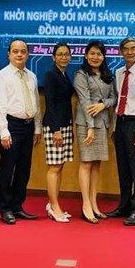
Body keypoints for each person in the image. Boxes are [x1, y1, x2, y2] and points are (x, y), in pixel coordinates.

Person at [0, 39, 42, 225]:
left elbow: (36, 103)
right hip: (11, 126)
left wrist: (37, 127)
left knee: (24, 169)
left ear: (28, 54)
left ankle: (17, 206)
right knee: (7, 169)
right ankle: (5, 208)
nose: (19, 54)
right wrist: (3, 131)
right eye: (15, 51)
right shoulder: (2, 76)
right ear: (9, 54)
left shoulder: (32, 76)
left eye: (23, 51)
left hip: (28, 127)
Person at [107, 37, 135, 226]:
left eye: (134, 48)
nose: (130, 52)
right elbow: (118, 101)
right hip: (121, 123)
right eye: (126, 49)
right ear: (121, 52)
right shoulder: (118, 72)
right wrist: (115, 127)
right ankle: (124, 205)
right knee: (123, 168)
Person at [74, 40, 117, 224]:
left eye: (99, 54)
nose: (95, 57)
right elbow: (84, 102)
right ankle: (85, 204)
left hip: (103, 123)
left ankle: (94, 203)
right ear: (85, 55)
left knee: (96, 163)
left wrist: (102, 104)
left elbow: (114, 98)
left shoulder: (107, 74)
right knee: (86, 163)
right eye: (92, 53)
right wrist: (90, 127)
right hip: (86, 124)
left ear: (103, 56)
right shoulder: (81, 74)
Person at [42, 42, 74, 223]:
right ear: (53, 57)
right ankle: (54, 207)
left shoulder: (64, 74)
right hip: (54, 127)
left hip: (65, 125)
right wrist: (55, 130)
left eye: (66, 54)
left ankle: (53, 203)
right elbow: (50, 103)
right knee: (54, 167)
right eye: (60, 54)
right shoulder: (50, 74)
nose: (63, 57)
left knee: (59, 166)